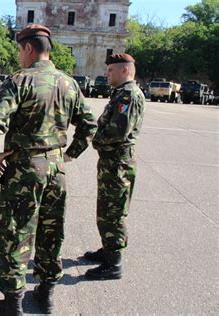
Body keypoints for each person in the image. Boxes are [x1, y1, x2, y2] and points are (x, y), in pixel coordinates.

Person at [0, 24, 97, 315]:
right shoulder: (68, 82)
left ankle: (13, 303)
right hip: (56, 170)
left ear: (29, 48)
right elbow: (89, 125)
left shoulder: (20, 80)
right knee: (50, 230)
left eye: (20, 50)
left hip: (25, 169)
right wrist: (69, 154)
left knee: (16, 232)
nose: (19, 56)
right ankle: (45, 295)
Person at [83, 53, 145, 280]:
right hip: (112, 162)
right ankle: (108, 249)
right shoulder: (120, 93)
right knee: (106, 209)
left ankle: (114, 263)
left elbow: (118, 131)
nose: (107, 74)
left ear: (125, 71)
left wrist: (96, 139)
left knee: (113, 212)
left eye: (111, 70)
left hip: (118, 163)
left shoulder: (129, 95)